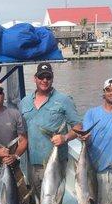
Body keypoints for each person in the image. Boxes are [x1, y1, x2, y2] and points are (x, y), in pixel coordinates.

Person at [20, 62, 82, 196]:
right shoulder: (24, 102)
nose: (44, 80)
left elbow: (78, 127)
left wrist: (64, 137)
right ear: (35, 78)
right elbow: (22, 133)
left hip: (55, 162)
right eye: (41, 77)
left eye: (48, 77)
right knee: (36, 199)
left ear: (52, 78)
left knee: (52, 200)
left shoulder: (64, 100)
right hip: (32, 163)